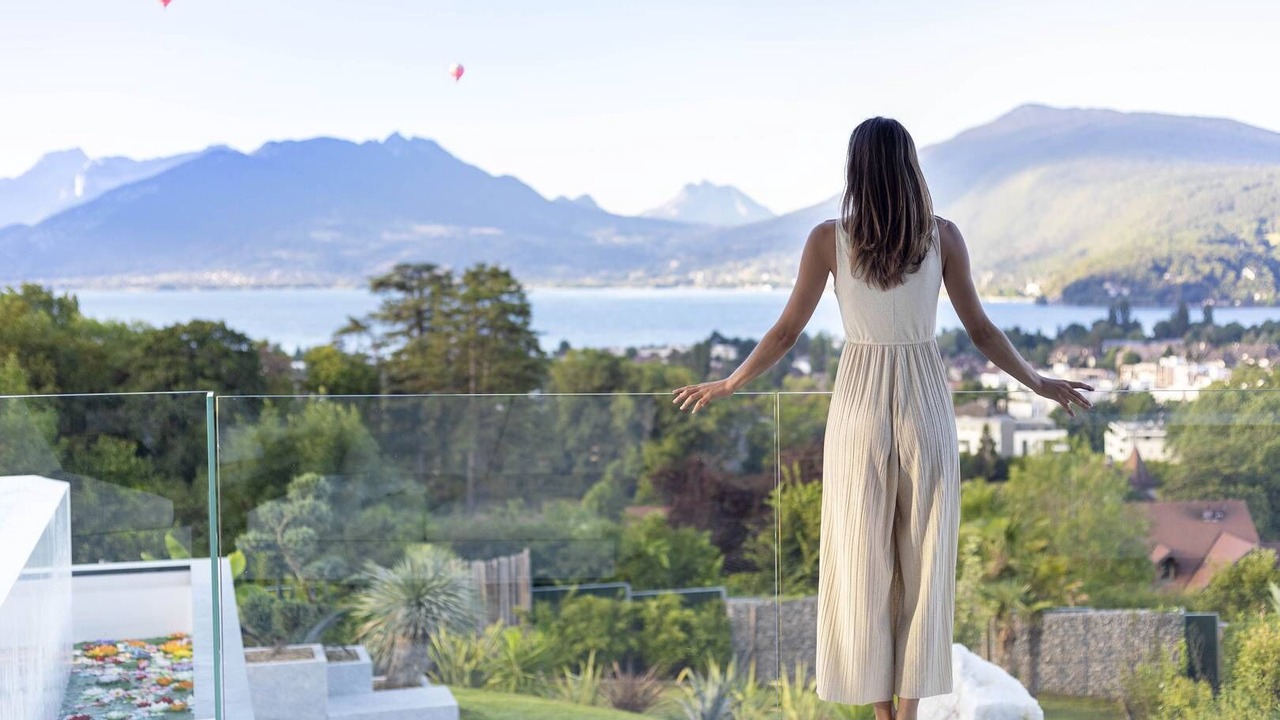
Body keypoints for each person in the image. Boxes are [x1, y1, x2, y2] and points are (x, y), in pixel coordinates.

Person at [671, 117, 1093, 720]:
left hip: (859, 405)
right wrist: (1039, 381)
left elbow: (787, 331)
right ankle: (911, 711)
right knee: (924, 559)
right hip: (924, 400)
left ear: (855, 169)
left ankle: (880, 714)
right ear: (911, 166)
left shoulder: (827, 239)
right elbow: (980, 329)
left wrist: (732, 383)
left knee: (861, 555)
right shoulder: (942, 236)